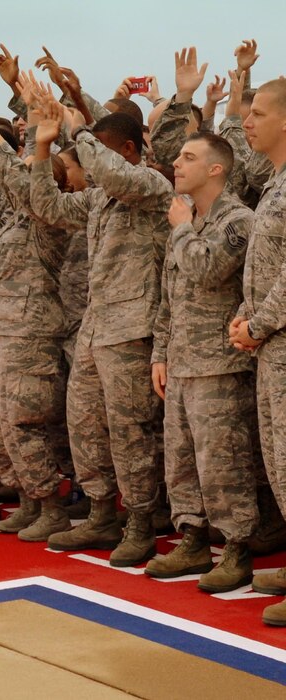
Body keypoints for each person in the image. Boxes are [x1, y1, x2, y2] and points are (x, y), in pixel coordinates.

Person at [31, 91, 172, 568]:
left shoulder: (150, 185)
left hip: (133, 326)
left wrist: (78, 129)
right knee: (86, 421)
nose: (90, 165)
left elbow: (112, 174)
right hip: (97, 324)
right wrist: (42, 150)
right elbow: (46, 206)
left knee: (130, 430)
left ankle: (139, 521)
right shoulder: (100, 199)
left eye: (101, 150)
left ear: (128, 151)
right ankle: (100, 511)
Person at [145, 132, 257, 592]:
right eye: (177, 156)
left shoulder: (237, 221)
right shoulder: (187, 219)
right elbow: (169, 296)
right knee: (183, 462)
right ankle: (191, 538)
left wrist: (180, 231)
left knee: (224, 463)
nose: (176, 163)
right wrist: (160, 352)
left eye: (189, 157)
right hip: (183, 361)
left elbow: (207, 270)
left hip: (220, 363)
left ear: (217, 169)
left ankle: (237, 548)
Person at [0, 76, 73, 540]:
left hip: (33, 331)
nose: (24, 168)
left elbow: (18, 175)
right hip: (3, 327)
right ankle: (29, 497)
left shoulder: (48, 211)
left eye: (34, 165)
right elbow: (12, 175)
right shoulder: (14, 213)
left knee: (24, 421)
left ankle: (51, 504)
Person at [230, 77, 286, 626]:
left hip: (281, 338)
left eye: (259, 113)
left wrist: (259, 322)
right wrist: (246, 314)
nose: (248, 121)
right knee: (277, 458)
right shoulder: (275, 182)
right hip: (271, 341)